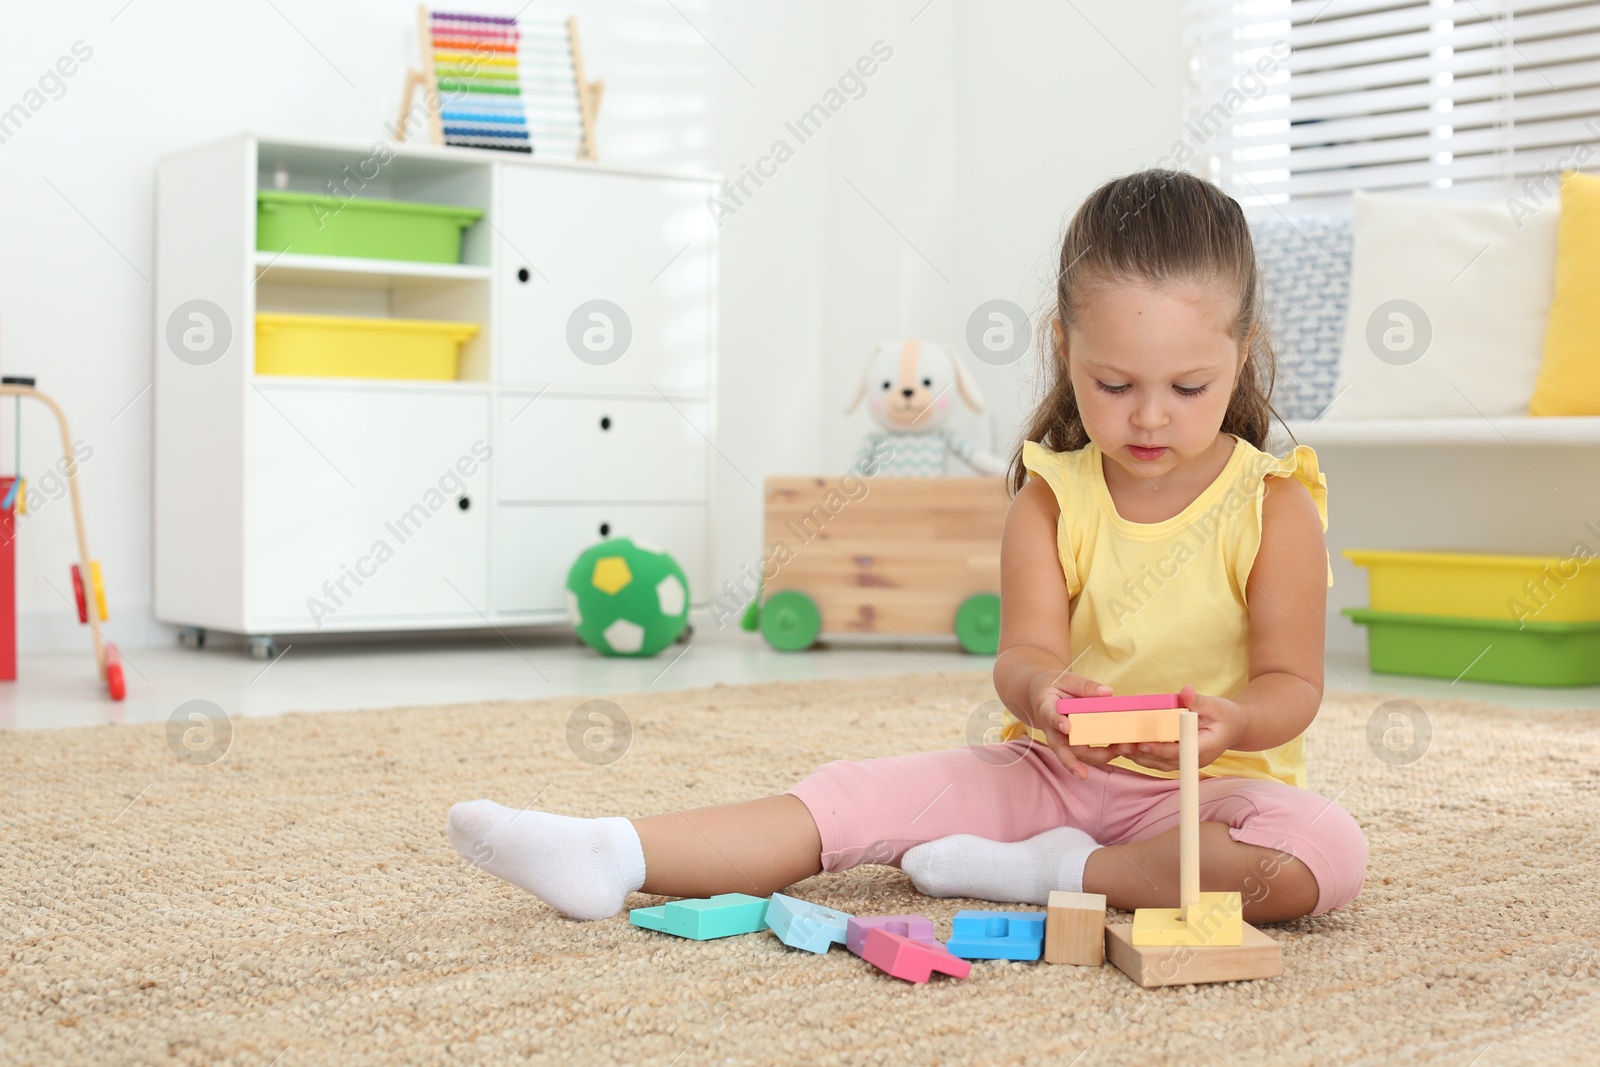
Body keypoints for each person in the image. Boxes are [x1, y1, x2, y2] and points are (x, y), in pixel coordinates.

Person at [446, 169, 1367, 925]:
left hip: (1208, 794)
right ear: (1063, 348)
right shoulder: (1053, 499)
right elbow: (1025, 657)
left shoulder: (1274, 505)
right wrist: (1044, 691)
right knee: (854, 797)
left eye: (1189, 384)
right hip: (1056, 772)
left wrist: (1237, 722)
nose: (1151, 415)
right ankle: (614, 849)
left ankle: (1071, 874)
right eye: (1115, 382)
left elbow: (1293, 685)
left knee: (1321, 856)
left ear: (1242, 355)